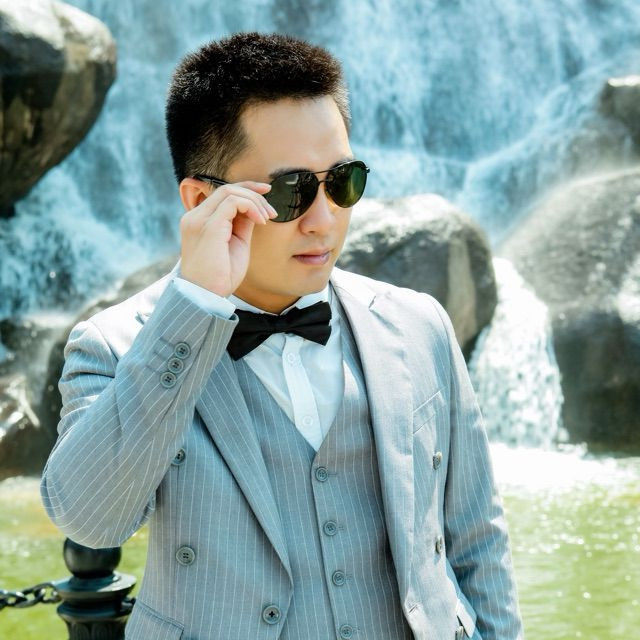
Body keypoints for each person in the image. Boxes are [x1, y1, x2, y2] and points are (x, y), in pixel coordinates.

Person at [41, 32, 523, 640]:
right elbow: (90, 520)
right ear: (202, 198)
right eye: (293, 191)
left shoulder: (418, 323)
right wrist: (193, 308)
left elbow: (477, 537)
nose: (324, 220)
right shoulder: (114, 344)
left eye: (343, 181)